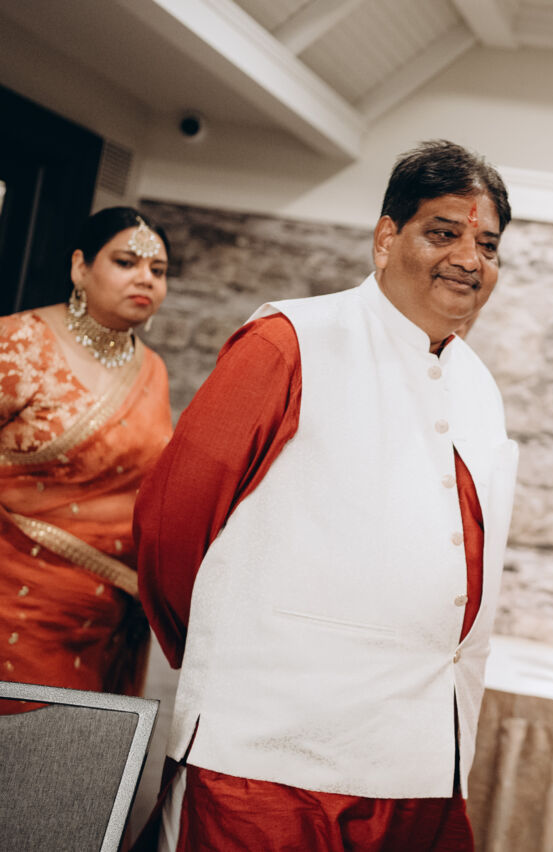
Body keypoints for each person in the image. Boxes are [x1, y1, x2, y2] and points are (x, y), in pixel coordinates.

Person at [131, 140, 519, 852]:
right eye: (443, 233)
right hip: (269, 756)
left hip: (418, 764)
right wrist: (231, 651)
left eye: (488, 245)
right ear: (385, 238)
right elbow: (171, 523)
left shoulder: (478, 388)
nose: (470, 259)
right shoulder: (289, 342)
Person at [0, 207, 172, 704]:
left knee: (73, 747)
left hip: (103, 618)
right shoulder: (18, 342)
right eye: (126, 262)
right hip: (12, 604)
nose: (145, 278)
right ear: (80, 267)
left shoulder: (152, 370)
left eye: (158, 270)